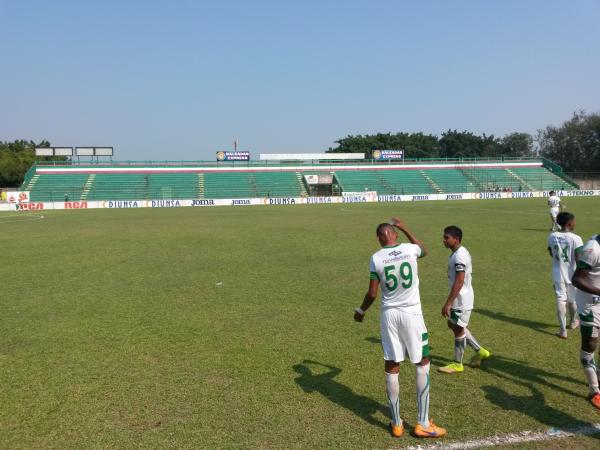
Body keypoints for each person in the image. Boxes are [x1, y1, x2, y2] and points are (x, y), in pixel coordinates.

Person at [353, 218, 447, 439]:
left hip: (389, 315)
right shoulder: (409, 249)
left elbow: (372, 294)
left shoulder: (375, 258)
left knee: (392, 364)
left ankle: (396, 423)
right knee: (422, 361)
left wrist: (361, 311)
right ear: (394, 234)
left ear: (379, 239)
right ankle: (423, 423)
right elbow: (424, 250)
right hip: (412, 313)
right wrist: (405, 227)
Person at [439, 226, 491, 374]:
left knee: (458, 329)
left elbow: (460, 281)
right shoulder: (459, 252)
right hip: (460, 298)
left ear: (456, 239)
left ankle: (457, 364)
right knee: (453, 324)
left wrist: (448, 302)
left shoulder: (459, 256)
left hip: (461, 299)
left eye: (446, 237)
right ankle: (481, 351)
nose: (443, 240)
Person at [572, 234, 600, 409]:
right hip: (590, 306)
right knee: (590, 346)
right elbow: (577, 278)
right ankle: (594, 391)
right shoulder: (592, 249)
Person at [547, 212, 583, 338]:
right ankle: (573, 322)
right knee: (572, 300)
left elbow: (551, 252)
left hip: (557, 272)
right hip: (572, 272)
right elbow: (579, 259)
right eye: (574, 221)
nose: (575, 223)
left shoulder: (552, 236)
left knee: (560, 299)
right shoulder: (576, 238)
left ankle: (563, 331)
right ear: (569, 223)